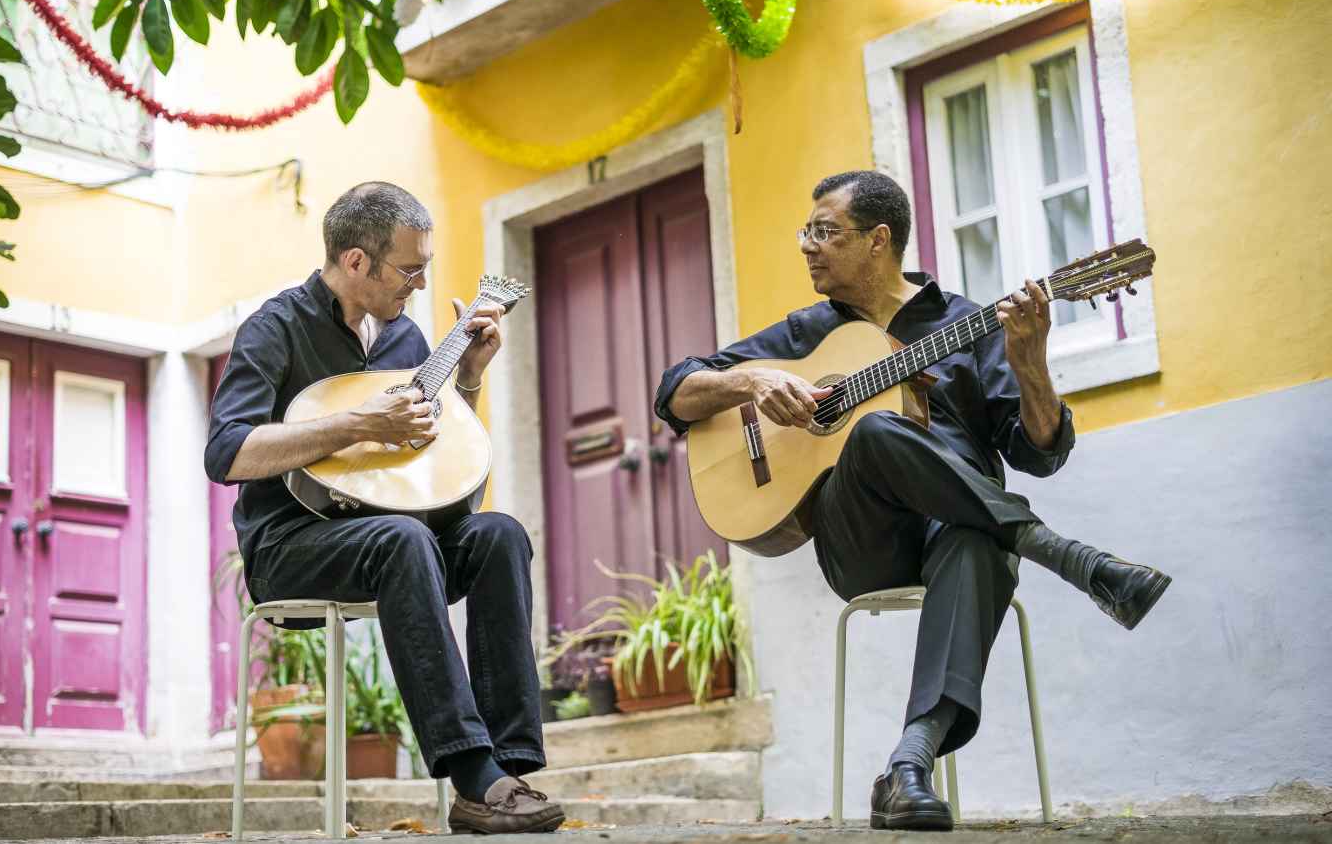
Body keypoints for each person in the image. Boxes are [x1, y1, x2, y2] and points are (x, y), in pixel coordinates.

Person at [653, 171, 1170, 831]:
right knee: (873, 430)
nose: (808, 247)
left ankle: (908, 764)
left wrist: (1031, 361)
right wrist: (749, 380)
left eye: (826, 232)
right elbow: (674, 391)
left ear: (878, 240)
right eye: (806, 233)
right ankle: (1068, 557)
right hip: (862, 543)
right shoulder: (809, 333)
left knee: (975, 538)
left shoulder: (967, 323)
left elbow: (1038, 454)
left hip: (962, 534)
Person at [205, 181, 565, 835]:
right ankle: (473, 773)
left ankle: (507, 766)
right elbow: (226, 452)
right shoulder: (274, 329)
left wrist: (471, 380)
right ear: (355, 262)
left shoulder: (406, 340)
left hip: (405, 538)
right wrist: (352, 424)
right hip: (294, 544)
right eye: (410, 269)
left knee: (499, 535)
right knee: (400, 539)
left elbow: (432, 455)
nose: (421, 284)